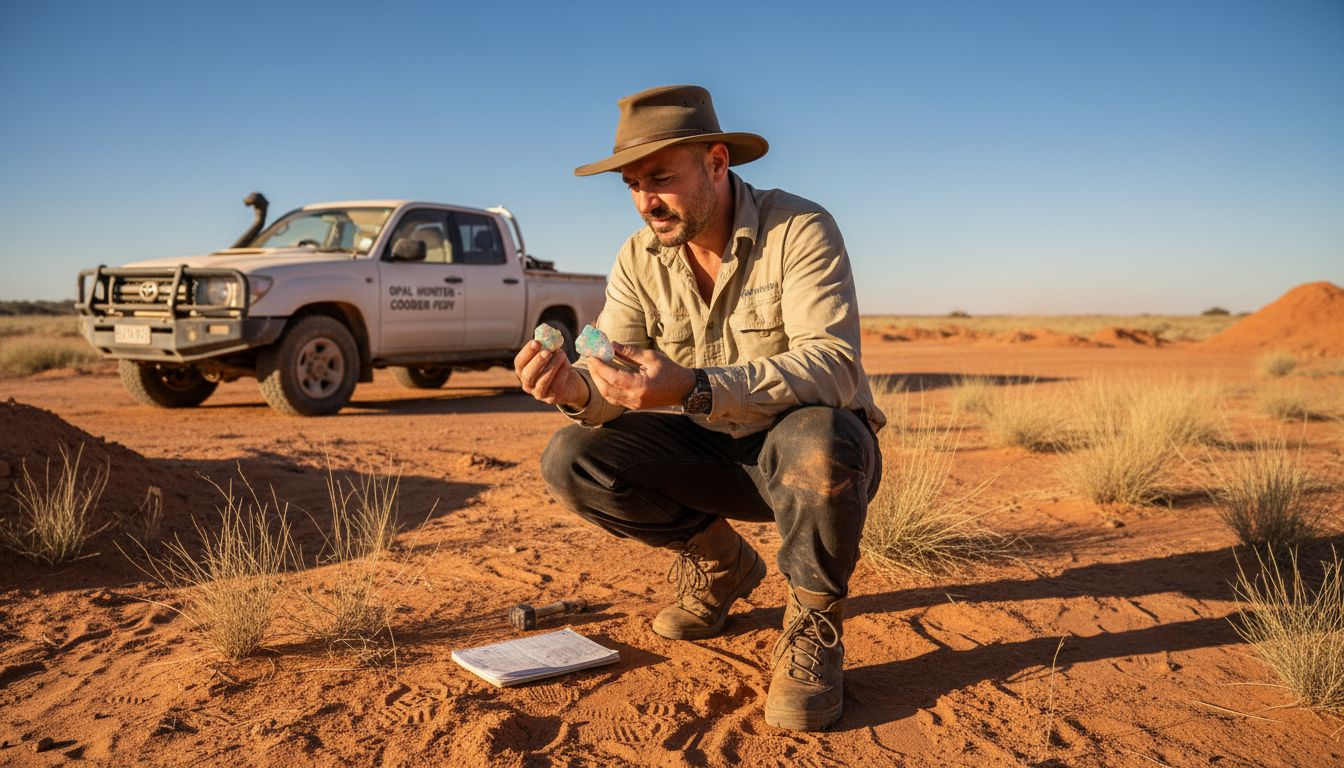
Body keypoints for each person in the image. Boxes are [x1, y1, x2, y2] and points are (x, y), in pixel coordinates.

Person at [513, 84, 885, 731]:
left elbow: (834, 365)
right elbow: (613, 378)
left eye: (660, 177)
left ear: (717, 163)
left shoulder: (799, 228)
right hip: (716, 456)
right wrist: (573, 389)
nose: (645, 201)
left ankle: (813, 623)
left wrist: (693, 386)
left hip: (815, 458)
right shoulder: (638, 257)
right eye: (631, 184)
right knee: (573, 457)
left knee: (819, 440)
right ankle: (721, 563)